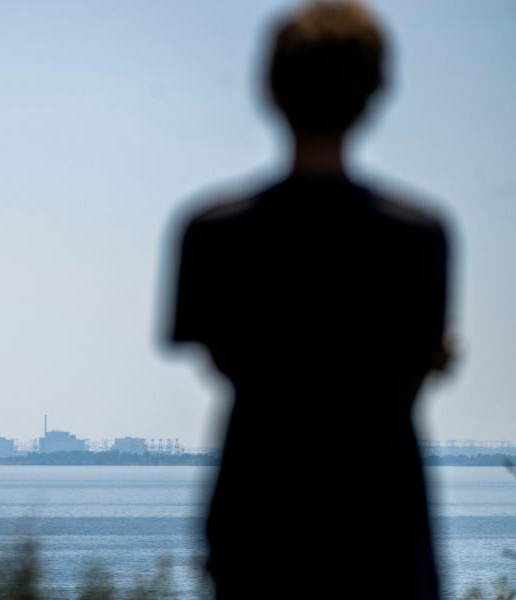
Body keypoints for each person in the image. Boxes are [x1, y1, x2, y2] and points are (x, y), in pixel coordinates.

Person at [166, 2, 452, 598]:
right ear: (375, 92)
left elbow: (219, 359)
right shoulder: (421, 235)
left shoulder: (212, 231)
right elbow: (414, 366)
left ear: (270, 89)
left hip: (259, 511)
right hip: (384, 517)